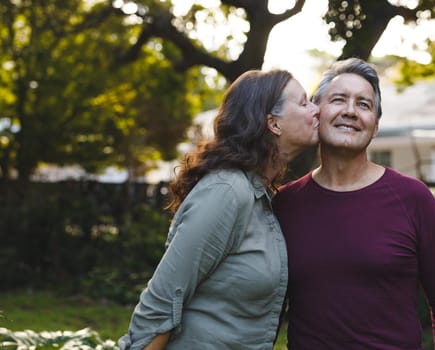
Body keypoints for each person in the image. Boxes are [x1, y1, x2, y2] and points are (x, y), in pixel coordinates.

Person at [273, 58, 435, 349]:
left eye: (364, 105)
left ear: (375, 127)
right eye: (339, 100)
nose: (350, 111)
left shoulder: (414, 199)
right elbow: (267, 309)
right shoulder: (285, 204)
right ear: (316, 113)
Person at [118, 69, 320, 350]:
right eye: (304, 103)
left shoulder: (260, 198)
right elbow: (162, 302)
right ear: (273, 124)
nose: (316, 110)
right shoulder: (227, 192)